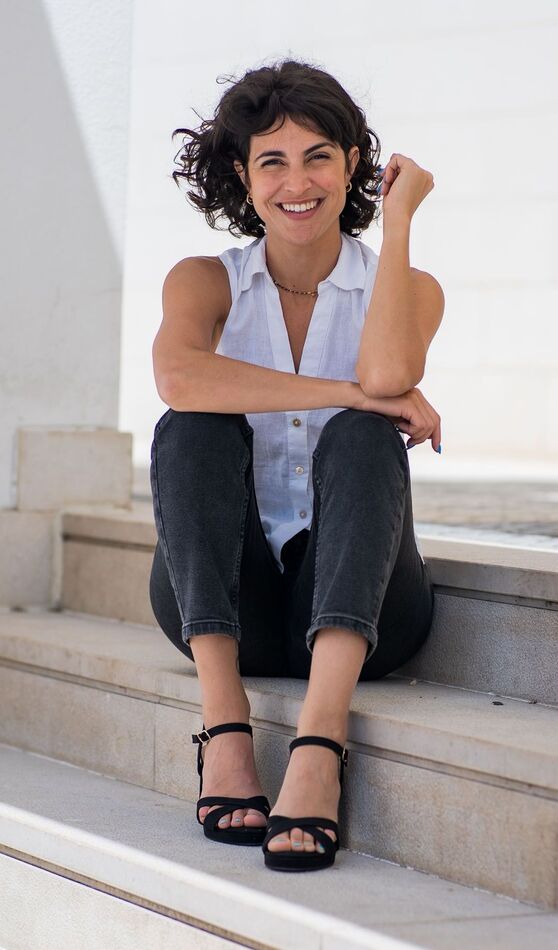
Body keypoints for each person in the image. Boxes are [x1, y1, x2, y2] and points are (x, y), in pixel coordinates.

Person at [149, 58, 444, 872]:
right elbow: (179, 379)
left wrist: (400, 219)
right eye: (272, 161)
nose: (297, 183)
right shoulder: (205, 282)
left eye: (318, 157)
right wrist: (348, 390)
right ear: (244, 178)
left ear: (352, 165)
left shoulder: (409, 288)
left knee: (363, 433)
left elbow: (387, 376)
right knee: (191, 426)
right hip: (226, 603)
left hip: (367, 609)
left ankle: (319, 746)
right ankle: (225, 732)